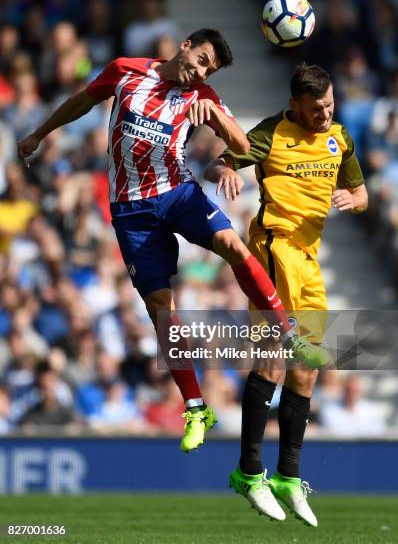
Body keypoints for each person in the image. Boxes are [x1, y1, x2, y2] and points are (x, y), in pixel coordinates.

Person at [18, 29, 313, 457]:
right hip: (130, 211)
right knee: (161, 309)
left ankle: (286, 330)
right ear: (185, 45)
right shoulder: (126, 72)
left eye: (208, 70)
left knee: (234, 245)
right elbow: (83, 100)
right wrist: (40, 134)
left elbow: (243, 144)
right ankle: (195, 407)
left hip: (178, 193)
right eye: (201, 60)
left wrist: (214, 111)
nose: (200, 72)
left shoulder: (202, 94)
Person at [205, 63, 368, 526]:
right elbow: (222, 159)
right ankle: (249, 471)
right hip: (274, 246)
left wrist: (353, 201)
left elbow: (361, 194)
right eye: (315, 108)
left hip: (309, 258)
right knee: (276, 359)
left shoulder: (340, 137)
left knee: (308, 371)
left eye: (329, 105)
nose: (324, 114)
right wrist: (226, 170)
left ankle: (288, 477)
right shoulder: (270, 134)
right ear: (294, 104)